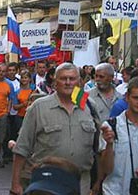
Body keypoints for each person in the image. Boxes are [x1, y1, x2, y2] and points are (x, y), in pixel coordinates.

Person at [11, 62, 99, 195]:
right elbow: (22, 147)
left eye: (72, 78)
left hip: (81, 181)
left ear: (79, 82)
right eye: (63, 78)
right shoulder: (39, 107)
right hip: (48, 180)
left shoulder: (89, 106)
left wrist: (98, 182)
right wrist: (15, 183)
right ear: (54, 82)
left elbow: (98, 148)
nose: (68, 82)